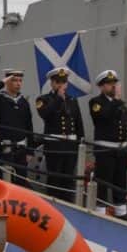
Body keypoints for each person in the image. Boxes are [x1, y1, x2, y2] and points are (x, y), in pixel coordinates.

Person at [89, 70, 127, 220]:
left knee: (120, 180)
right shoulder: (96, 103)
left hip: (121, 149)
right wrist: (117, 101)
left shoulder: (121, 105)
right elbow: (103, 117)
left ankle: (121, 211)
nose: (113, 86)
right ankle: (100, 211)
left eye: (114, 83)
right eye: (109, 84)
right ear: (102, 87)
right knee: (103, 181)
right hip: (105, 149)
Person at [35, 67, 84, 202]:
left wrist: (80, 144)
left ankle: (68, 205)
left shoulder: (72, 100)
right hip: (54, 146)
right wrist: (58, 99)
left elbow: (78, 123)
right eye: (58, 82)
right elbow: (45, 114)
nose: (61, 85)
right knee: (55, 178)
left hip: (70, 146)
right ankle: (54, 205)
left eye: (64, 82)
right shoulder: (43, 99)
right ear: (52, 83)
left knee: (68, 179)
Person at [0, 68, 33, 185]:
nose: (18, 83)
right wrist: (2, 82)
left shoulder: (23, 102)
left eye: (20, 80)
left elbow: (29, 126)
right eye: (14, 80)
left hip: (20, 150)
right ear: (8, 81)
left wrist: (30, 151)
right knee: (2, 181)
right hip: (3, 149)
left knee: (21, 182)